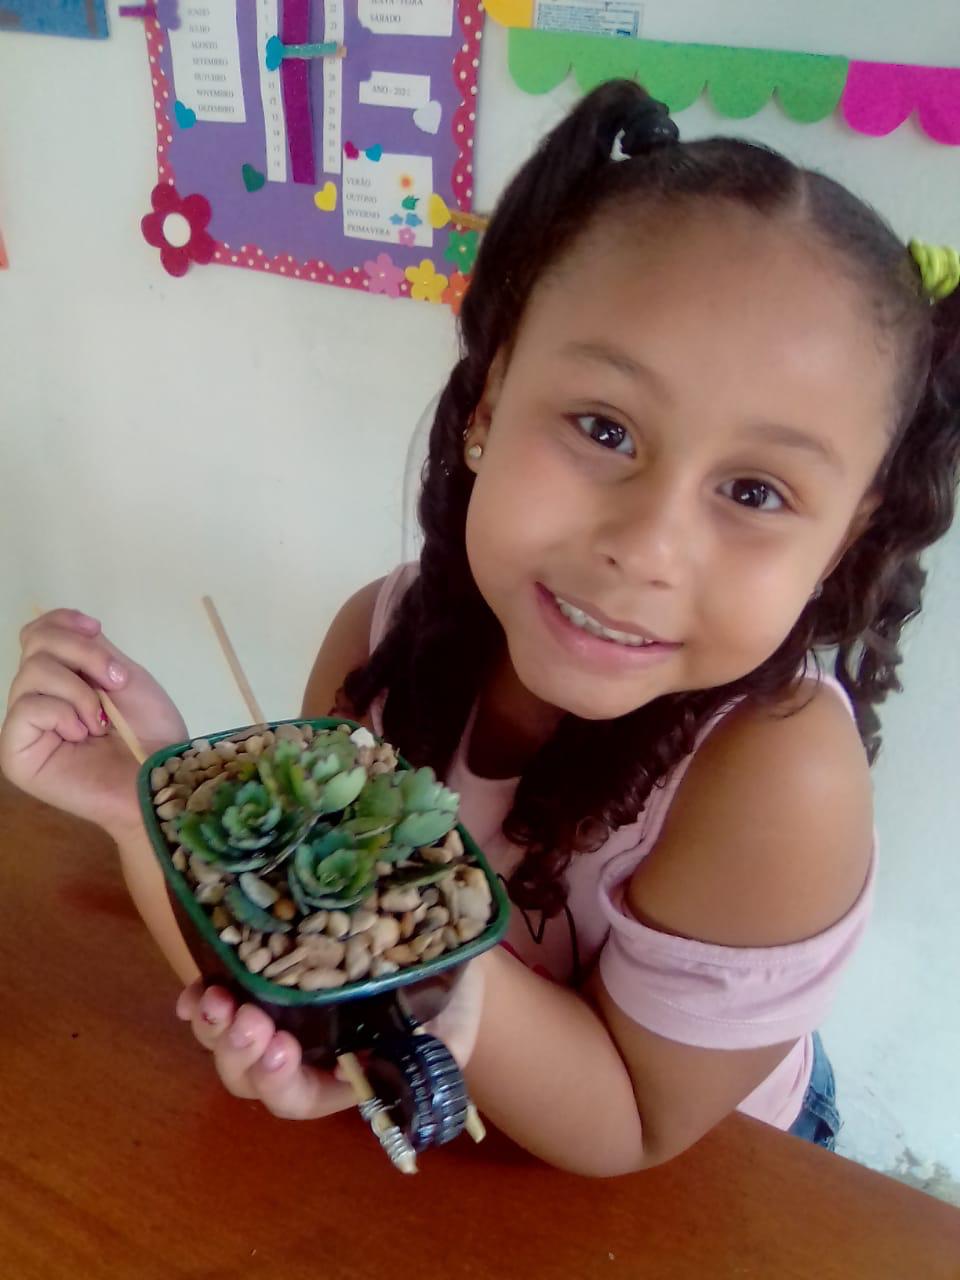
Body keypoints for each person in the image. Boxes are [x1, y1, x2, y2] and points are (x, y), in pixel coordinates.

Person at [3, 81, 959, 1176]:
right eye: (604, 427)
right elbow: (287, 957)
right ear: (490, 404)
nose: (648, 547)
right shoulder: (383, 635)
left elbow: (633, 1125)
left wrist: (431, 955)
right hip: (441, 1136)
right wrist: (152, 810)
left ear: (843, 539)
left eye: (754, 492)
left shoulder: (780, 772)